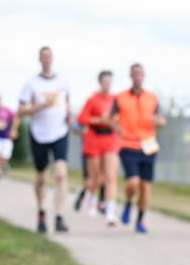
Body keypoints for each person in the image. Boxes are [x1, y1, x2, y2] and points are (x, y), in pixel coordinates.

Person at [18, 46, 72, 234]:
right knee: (41, 177)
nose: (47, 60)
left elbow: (67, 105)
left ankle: (59, 216)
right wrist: (39, 107)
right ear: (39, 59)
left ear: (53, 59)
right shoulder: (31, 83)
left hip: (60, 132)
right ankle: (41, 212)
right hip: (39, 134)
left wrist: (70, 119)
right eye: (44, 57)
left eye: (50, 57)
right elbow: (21, 110)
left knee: (60, 174)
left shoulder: (63, 82)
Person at [112, 63, 165, 233]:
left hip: (148, 144)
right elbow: (110, 118)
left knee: (145, 186)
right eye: (134, 73)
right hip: (128, 144)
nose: (137, 76)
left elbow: (161, 120)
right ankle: (128, 203)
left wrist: (159, 122)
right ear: (130, 75)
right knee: (133, 182)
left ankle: (140, 220)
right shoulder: (120, 97)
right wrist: (117, 128)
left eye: (140, 73)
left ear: (144, 76)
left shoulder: (153, 97)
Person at [77, 70, 120, 226]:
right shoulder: (93, 99)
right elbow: (82, 118)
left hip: (110, 139)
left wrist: (114, 121)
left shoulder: (116, 99)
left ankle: (110, 211)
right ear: (100, 82)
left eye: (109, 81)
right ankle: (91, 197)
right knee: (96, 177)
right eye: (104, 81)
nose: (107, 84)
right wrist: (99, 119)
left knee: (110, 176)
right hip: (94, 138)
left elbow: (121, 118)